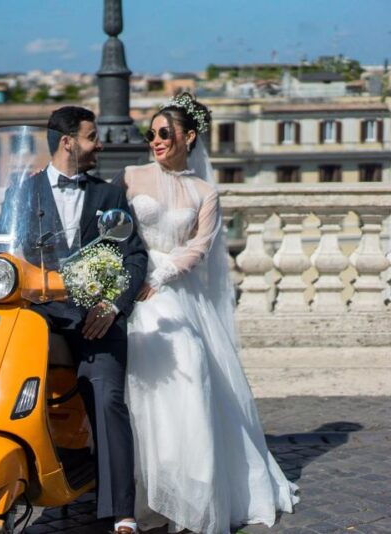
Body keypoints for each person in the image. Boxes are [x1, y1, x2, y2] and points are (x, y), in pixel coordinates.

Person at [119, 93, 299, 533]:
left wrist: (160, 277)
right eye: (151, 133)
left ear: (188, 136)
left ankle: (192, 488)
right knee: (138, 389)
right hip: (134, 291)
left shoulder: (204, 191)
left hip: (175, 292)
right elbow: (116, 229)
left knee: (190, 369)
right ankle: (147, 490)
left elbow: (200, 246)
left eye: (165, 133)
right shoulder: (131, 176)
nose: (156, 141)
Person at [0, 106, 148, 533]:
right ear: (68, 141)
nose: (99, 144)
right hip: (38, 318)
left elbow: (135, 256)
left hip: (95, 320)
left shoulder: (109, 196)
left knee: (106, 399)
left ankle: (120, 511)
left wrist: (112, 306)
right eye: (92, 136)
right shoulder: (24, 192)